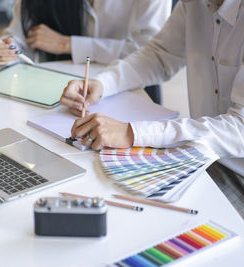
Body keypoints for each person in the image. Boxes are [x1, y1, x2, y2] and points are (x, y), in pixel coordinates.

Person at [60, 0, 244, 217]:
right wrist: (102, 83)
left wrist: (132, 133)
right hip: (200, 156)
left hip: (235, 173)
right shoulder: (194, 4)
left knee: (147, 216)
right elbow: (159, 55)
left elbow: (239, 129)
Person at [0, 0, 171, 104]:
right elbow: (18, 40)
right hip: (57, 95)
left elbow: (151, 51)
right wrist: (3, 55)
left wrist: (68, 45)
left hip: (132, 91)